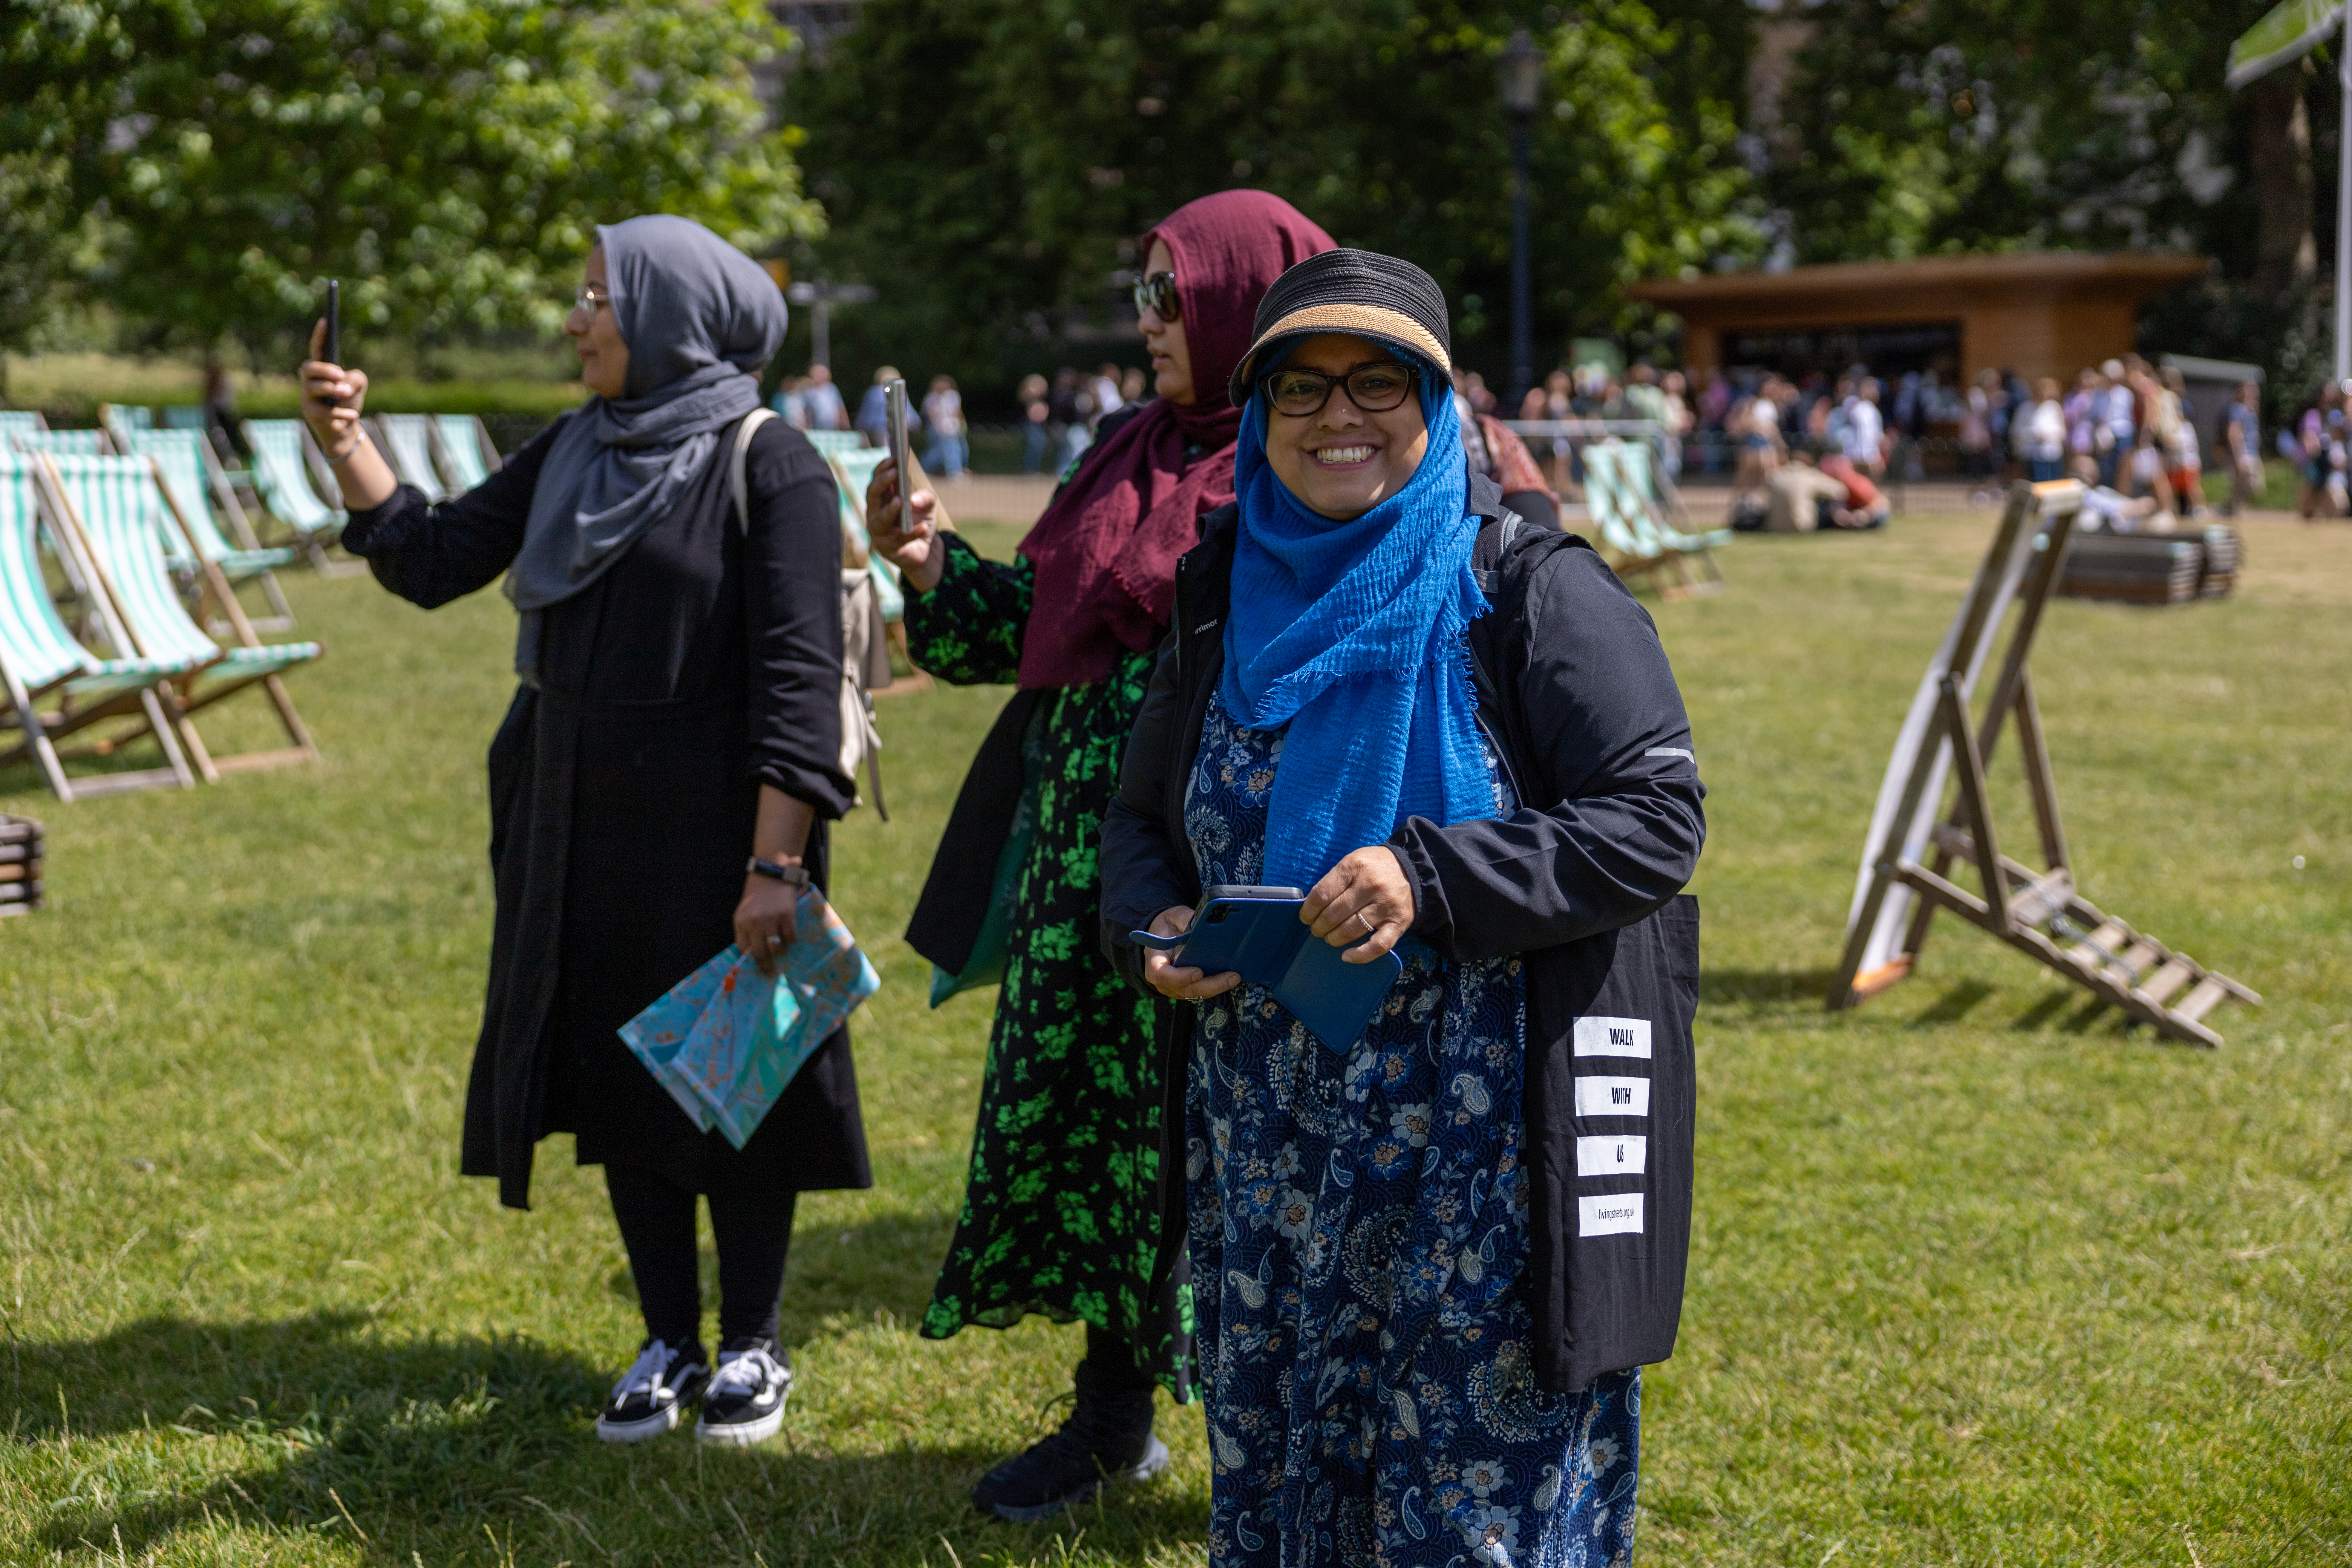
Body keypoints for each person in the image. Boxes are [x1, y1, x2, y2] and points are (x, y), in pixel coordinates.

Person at [1099, 248, 1705, 1566]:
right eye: (1301, 388)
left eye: (1380, 383)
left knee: (1467, 1509)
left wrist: (1429, 877)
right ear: (1259, 413)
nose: (1338, 417)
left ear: (1440, 408)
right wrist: (1154, 929)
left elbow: (1658, 820)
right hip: (1272, 1153)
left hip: (1482, 1162)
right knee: (1284, 1478)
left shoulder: (1531, 586)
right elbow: (1141, 823)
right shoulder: (1224, 593)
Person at [297, 216, 867, 1447]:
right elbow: (438, 556)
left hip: (725, 822)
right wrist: (347, 444)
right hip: (572, 809)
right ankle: (669, 1335)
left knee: (737, 1081)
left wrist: (777, 866)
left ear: (673, 313)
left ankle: (754, 1345)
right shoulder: (574, 446)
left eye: (599, 296)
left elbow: (800, 679)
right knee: (619, 1078)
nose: (575, 318)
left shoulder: (775, 464)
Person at [867, 189, 1336, 1522]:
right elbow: (1018, 637)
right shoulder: (1128, 448)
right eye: (1139, 293)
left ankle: (1284, 1446)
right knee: (1116, 1150)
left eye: (1170, 294)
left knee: (1236, 1155)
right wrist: (927, 558)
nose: (1146, 323)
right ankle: (1110, 1420)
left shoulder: (1306, 456)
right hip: (1095, 874)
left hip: (1231, 864)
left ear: (1249, 300)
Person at [2224, 380, 2264, 515]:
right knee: (2248, 485)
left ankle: (2229, 508)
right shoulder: (2237, 409)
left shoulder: (2252, 410)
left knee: (2252, 487)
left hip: (2253, 453)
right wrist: (2238, 456)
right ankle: (2230, 510)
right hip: (2244, 453)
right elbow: (2234, 432)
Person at [2018, 377, 2067, 484]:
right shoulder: (2026, 408)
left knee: (2055, 483)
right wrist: (2034, 434)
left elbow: (2061, 431)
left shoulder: (2054, 407)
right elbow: (2018, 431)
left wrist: (2049, 435)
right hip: (2035, 454)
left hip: (2053, 452)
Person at [920, 373, 966, 479]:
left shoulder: (953, 396)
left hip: (952, 429)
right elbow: (931, 416)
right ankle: (954, 472)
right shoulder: (931, 399)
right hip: (937, 430)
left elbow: (957, 413)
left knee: (952, 450)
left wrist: (959, 425)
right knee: (939, 452)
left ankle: (955, 471)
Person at [855, 365, 899, 448]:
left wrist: (861, 427)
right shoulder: (899, 392)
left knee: (885, 452)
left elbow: (867, 415)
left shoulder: (873, 392)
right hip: (894, 429)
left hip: (877, 430)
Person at [1017, 373, 1052, 474]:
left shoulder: (1044, 400)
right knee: (1034, 444)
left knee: (1039, 444)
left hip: (1039, 427)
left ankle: (1034, 469)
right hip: (1029, 425)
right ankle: (1030, 470)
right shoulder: (1025, 399)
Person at [801, 362, 848, 432]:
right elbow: (807, 411)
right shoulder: (809, 392)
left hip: (834, 428)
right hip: (816, 428)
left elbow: (840, 407)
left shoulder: (832, 389)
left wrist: (845, 422)